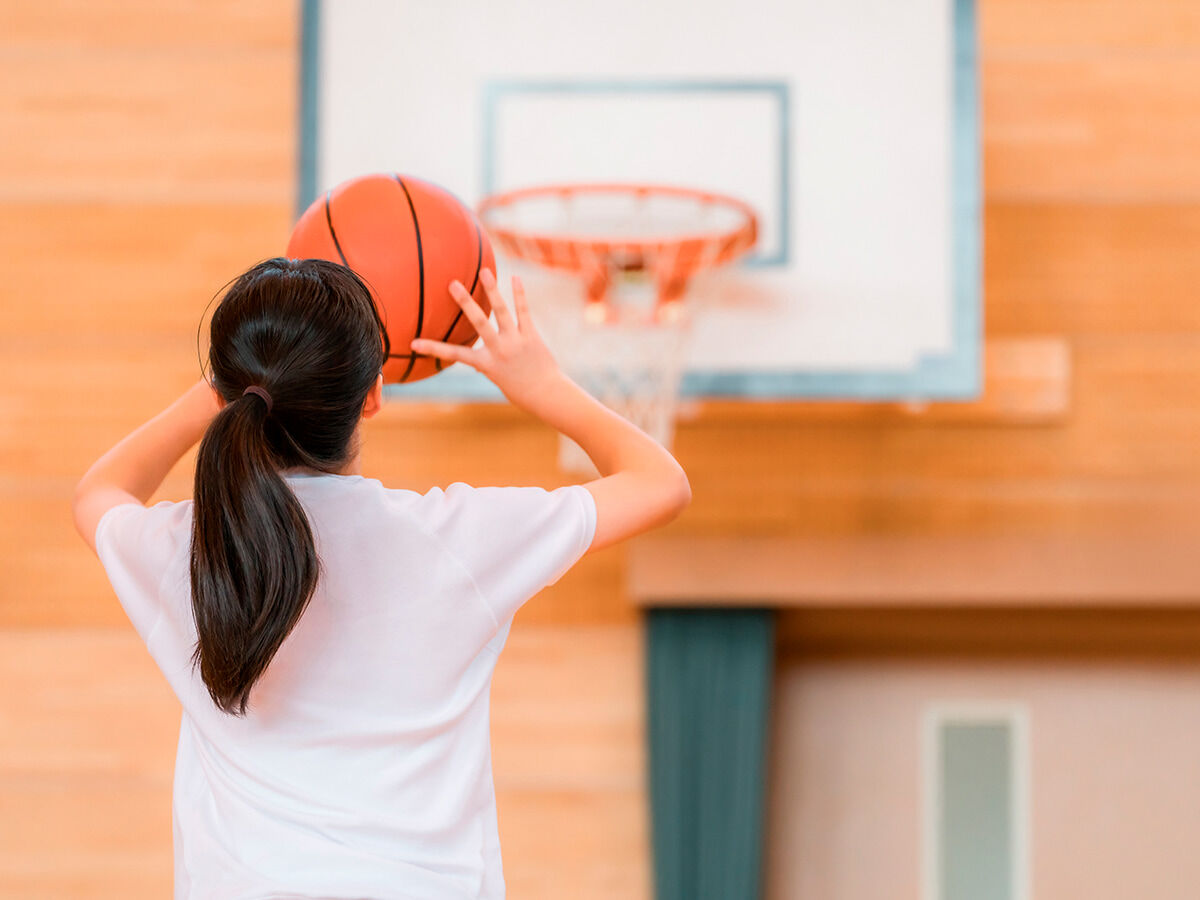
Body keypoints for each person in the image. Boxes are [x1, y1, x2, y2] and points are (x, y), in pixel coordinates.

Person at [71, 257, 690, 900]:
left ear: (227, 398)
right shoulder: (455, 540)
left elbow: (99, 492)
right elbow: (661, 483)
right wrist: (544, 385)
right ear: (371, 396)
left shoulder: (185, 551)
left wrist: (226, 389)